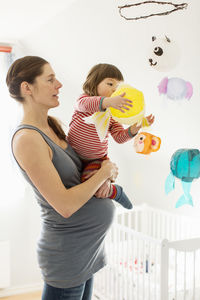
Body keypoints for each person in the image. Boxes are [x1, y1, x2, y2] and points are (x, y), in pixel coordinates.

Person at [7, 56, 119, 300]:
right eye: (50, 79)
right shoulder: (28, 139)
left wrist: (105, 176)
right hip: (67, 256)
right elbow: (65, 205)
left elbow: (81, 174)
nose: (59, 84)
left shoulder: (52, 125)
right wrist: (104, 172)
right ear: (27, 88)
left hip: (86, 250)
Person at [68, 63, 155, 208]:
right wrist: (109, 102)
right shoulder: (84, 100)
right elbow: (85, 105)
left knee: (92, 185)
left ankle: (115, 192)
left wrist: (134, 128)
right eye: (110, 84)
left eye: (118, 87)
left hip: (96, 160)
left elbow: (119, 137)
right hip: (71, 153)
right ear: (94, 83)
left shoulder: (112, 116)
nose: (115, 89)